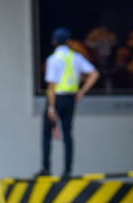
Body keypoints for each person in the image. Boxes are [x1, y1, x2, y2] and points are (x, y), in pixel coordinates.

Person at [41, 27, 98, 177]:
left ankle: (46, 168)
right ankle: (67, 170)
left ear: (53, 41)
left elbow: (52, 86)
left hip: (57, 98)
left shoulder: (53, 59)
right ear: (69, 41)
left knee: (47, 133)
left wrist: (51, 108)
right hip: (71, 98)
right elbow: (94, 74)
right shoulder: (76, 57)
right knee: (67, 134)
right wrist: (82, 91)